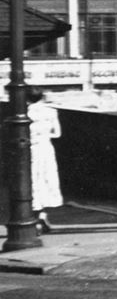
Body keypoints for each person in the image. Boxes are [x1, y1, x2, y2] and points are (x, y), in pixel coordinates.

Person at [27, 87, 62, 234]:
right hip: (46, 148)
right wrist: (45, 136)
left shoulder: (25, 112)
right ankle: (43, 215)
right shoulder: (51, 111)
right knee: (47, 181)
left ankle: (35, 218)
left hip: (31, 150)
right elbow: (57, 134)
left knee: (32, 182)